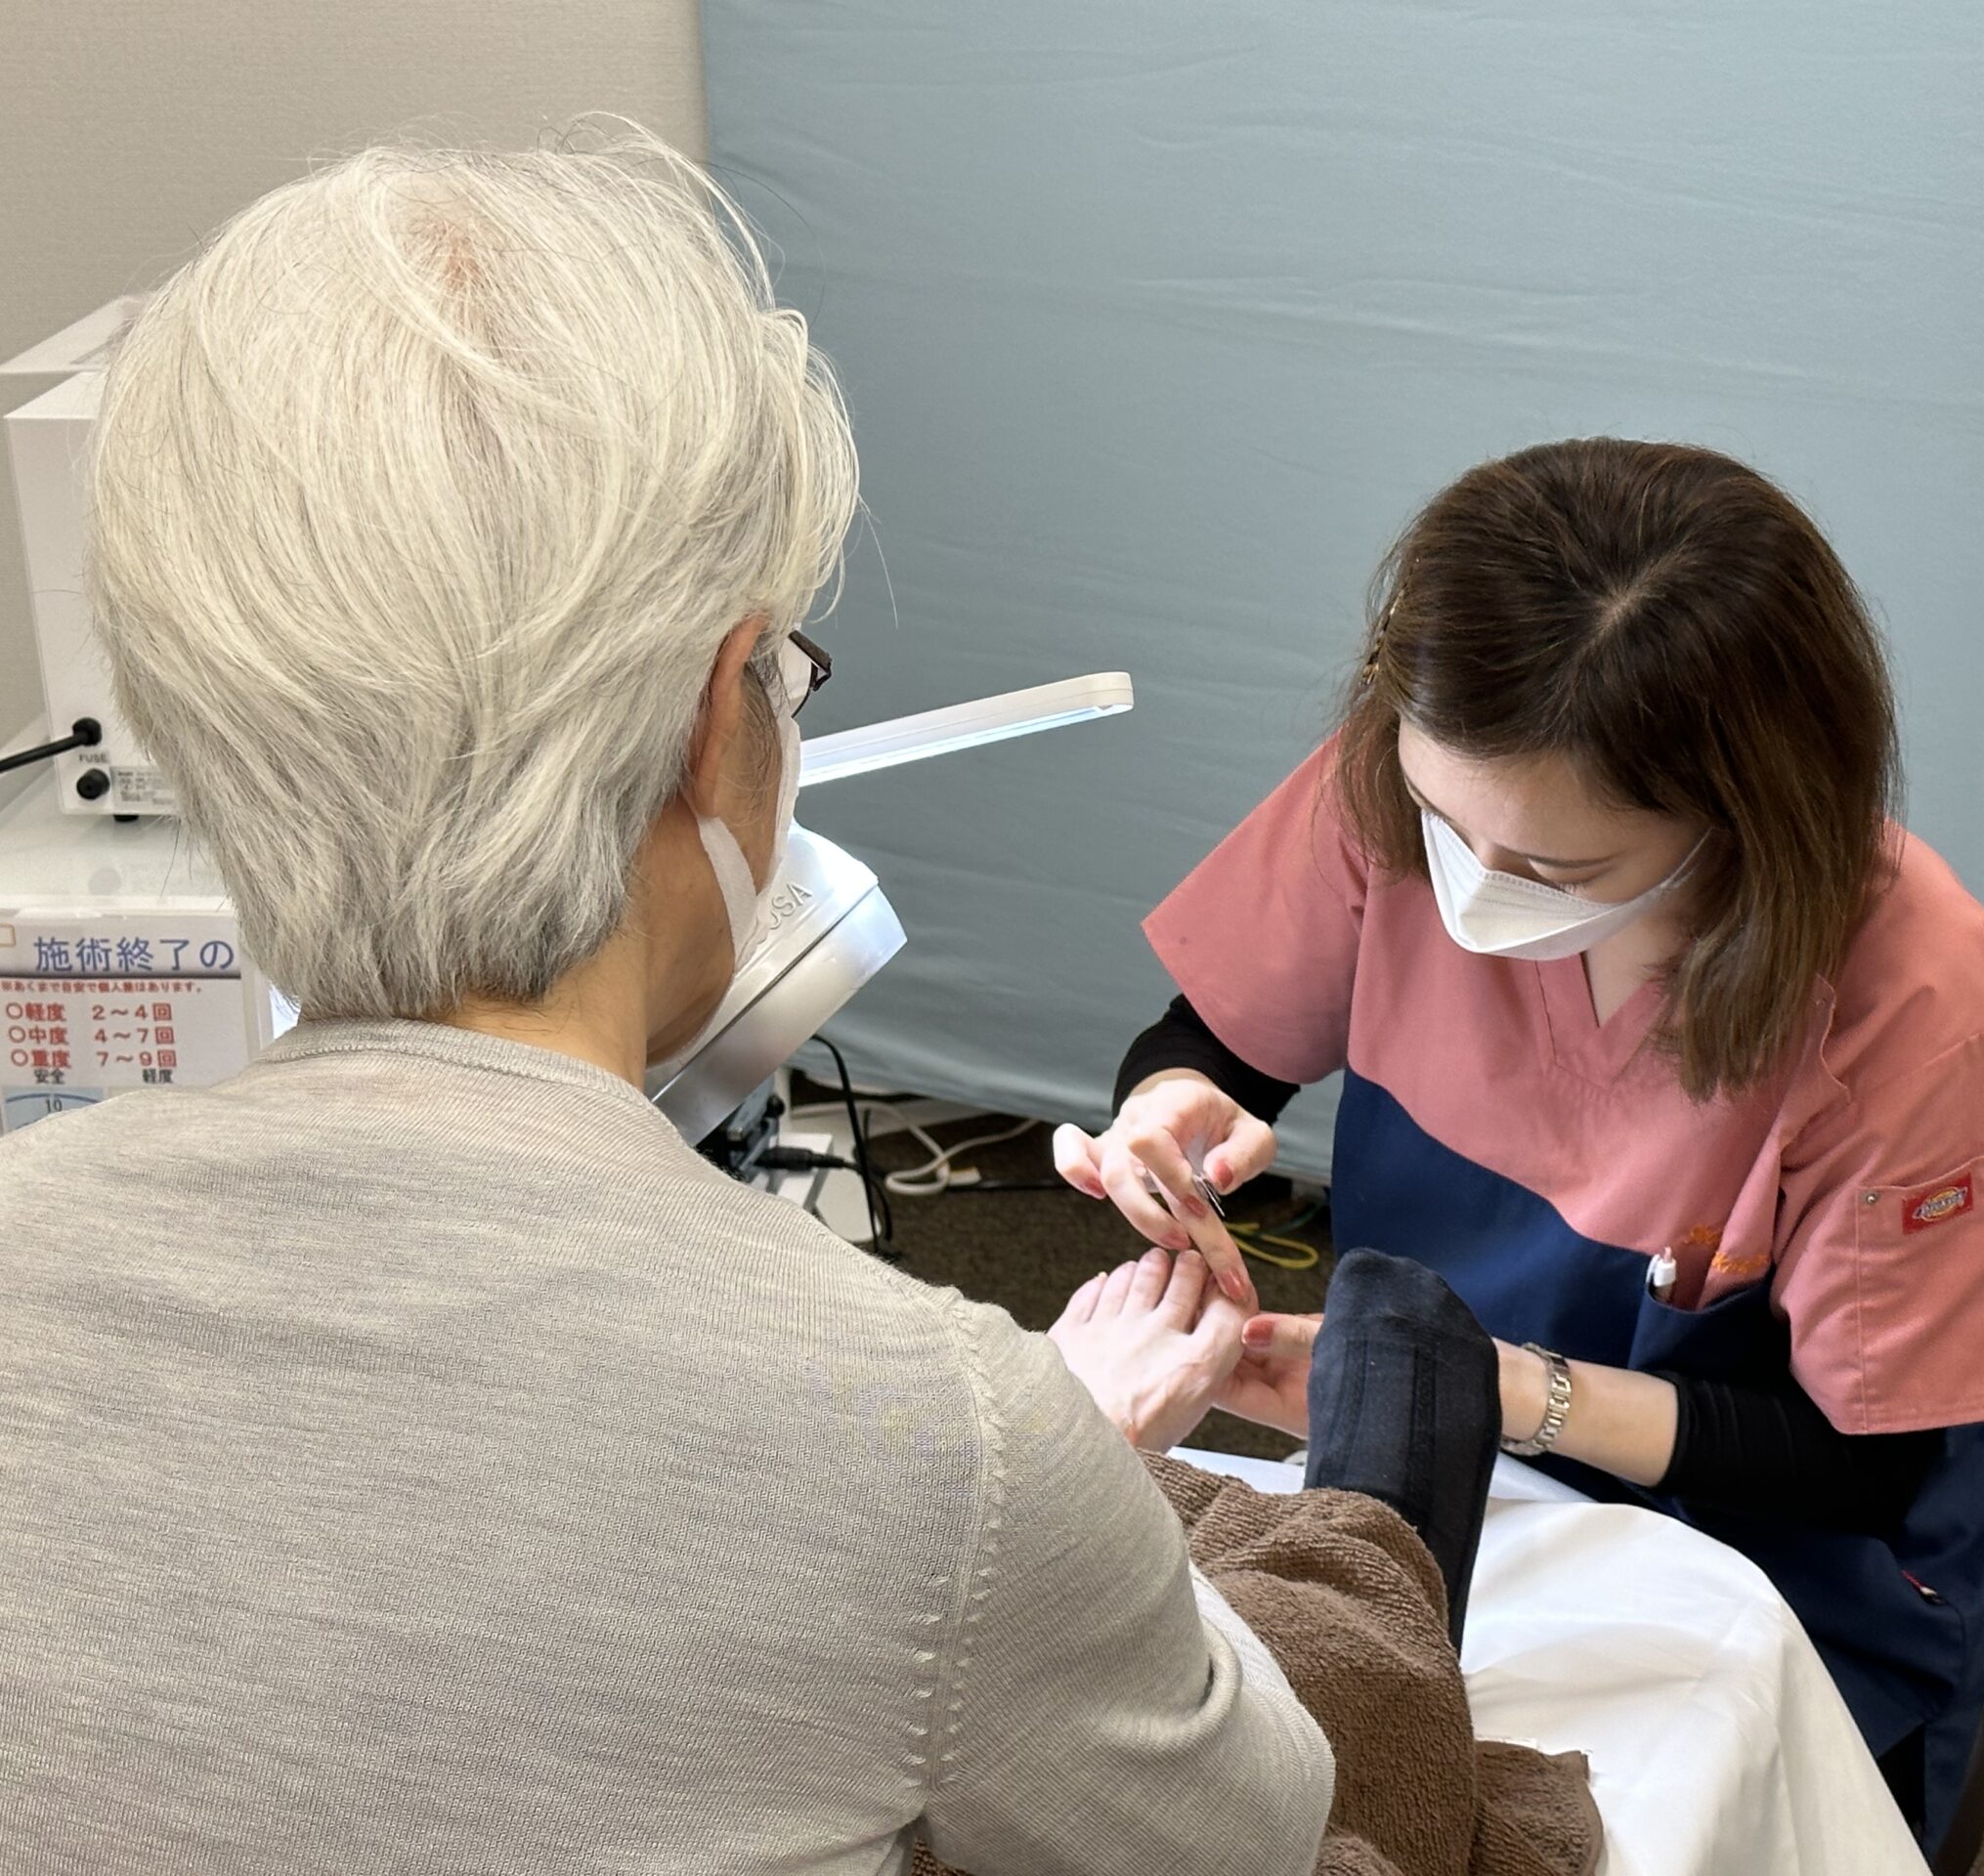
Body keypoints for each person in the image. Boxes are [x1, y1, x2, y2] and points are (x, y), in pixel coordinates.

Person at [0, 129, 1339, 1875]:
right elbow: (1261, 1832)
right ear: (726, 714)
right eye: (789, 679)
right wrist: (1053, 1506)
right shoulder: (936, 1434)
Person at [1057, 439, 1984, 1868]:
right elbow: (1213, 1035)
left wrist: (1511, 1396)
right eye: (1442, 831)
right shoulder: (1414, 794)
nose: (1465, 900)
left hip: (1791, 1523)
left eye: (1555, 874)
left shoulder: (1915, 1013)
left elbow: (1860, 1463)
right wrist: (1169, 1104)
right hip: (1452, 1438)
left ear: (1747, 823)